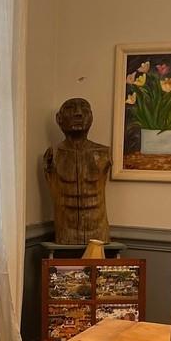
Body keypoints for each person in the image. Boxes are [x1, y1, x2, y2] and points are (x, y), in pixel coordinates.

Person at [43, 98, 111, 246]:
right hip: (65, 232)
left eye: (84, 109)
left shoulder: (104, 153)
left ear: (91, 117)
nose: (78, 113)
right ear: (58, 119)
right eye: (70, 108)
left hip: (99, 231)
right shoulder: (52, 154)